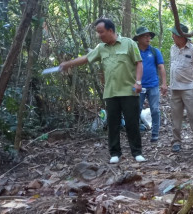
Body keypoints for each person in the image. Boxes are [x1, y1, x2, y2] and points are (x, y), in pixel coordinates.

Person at [59, 18, 146, 163]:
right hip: (111, 92)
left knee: (132, 123)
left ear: (110, 31)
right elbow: (87, 58)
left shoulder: (129, 43)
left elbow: (139, 63)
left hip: (129, 91)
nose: (99, 35)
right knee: (113, 124)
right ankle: (115, 153)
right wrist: (68, 64)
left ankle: (137, 152)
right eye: (98, 32)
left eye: (101, 32)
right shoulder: (101, 48)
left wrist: (138, 82)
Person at [168, 23, 193, 152]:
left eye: (175, 34)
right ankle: (176, 141)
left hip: (189, 88)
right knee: (176, 116)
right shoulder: (172, 48)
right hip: (175, 88)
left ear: (181, 36)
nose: (173, 36)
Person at [133, 26, 167, 143]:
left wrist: (164, 83)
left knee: (155, 110)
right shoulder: (133, 51)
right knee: (135, 110)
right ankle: (135, 134)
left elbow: (161, 67)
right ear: (138, 38)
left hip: (153, 85)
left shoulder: (154, 51)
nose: (148, 38)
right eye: (145, 36)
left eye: (149, 36)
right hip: (138, 86)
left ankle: (155, 134)